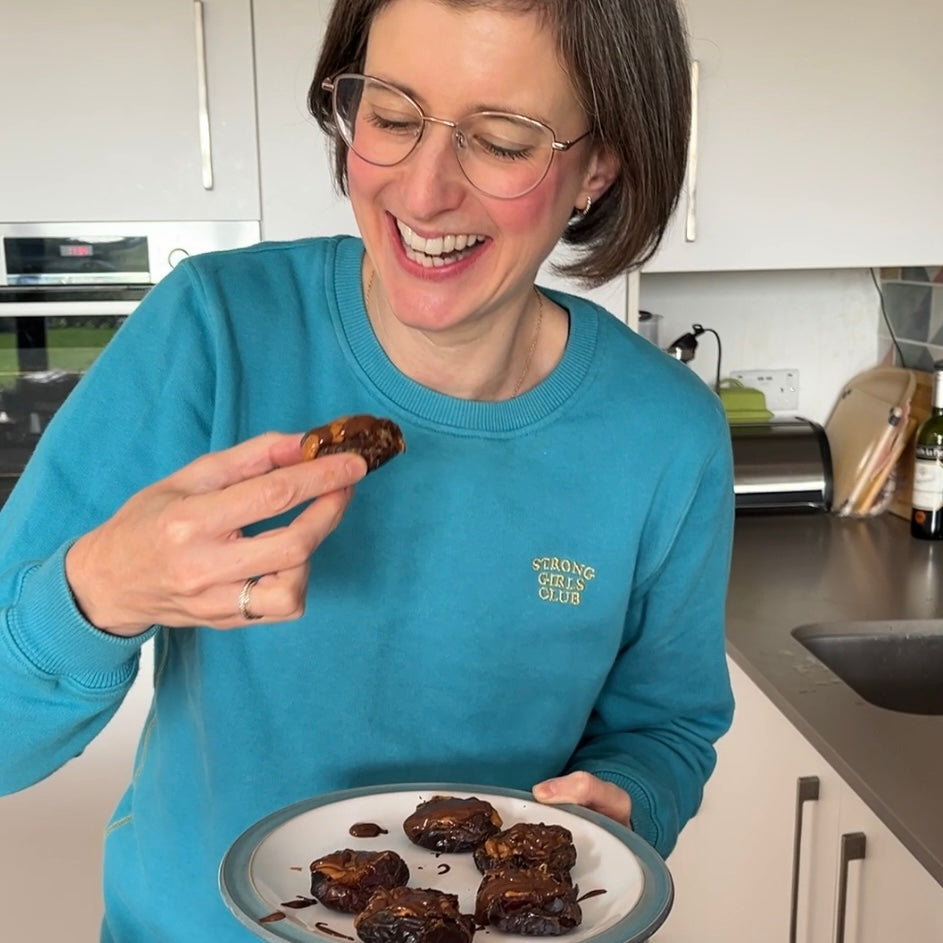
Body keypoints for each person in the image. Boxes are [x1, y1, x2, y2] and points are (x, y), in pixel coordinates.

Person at [0, 0, 734, 940]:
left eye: (502, 139)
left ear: (599, 164)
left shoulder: (664, 433)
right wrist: (101, 588)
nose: (423, 192)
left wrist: (629, 799)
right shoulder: (216, 331)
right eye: (389, 116)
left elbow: (667, 727)